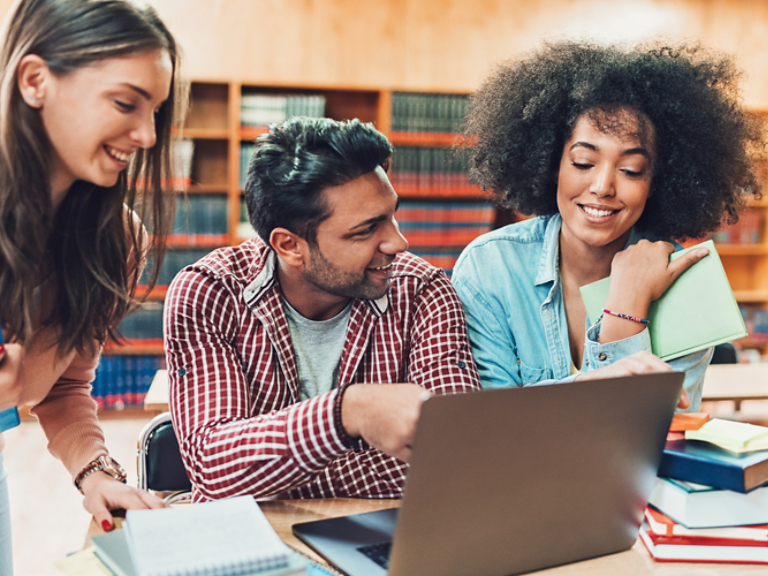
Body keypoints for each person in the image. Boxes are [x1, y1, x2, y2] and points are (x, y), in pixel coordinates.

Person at [164, 117, 483, 502]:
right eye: (366, 230)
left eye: (392, 215)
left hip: (385, 541)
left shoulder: (424, 291)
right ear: (289, 246)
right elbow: (215, 467)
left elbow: (452, 455)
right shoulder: (209, 293)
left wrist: (267, 476)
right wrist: (349, 412)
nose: (399, 243)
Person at [452, 41, 767, 411]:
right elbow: (488, 425)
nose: (602, 187)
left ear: (657, 182)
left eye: (631, 170)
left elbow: (643, 442)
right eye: (583, 162)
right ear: (552, 164)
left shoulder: (688, 287)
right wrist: (622, 320)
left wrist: (623, 312)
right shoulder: (490, 269)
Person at [0, 0, 187, 572]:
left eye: (155, 111)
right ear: (35, 80)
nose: (148, 135)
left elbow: (61, 387)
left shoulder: (117, 240)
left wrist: (97, 475)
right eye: (126, 103)